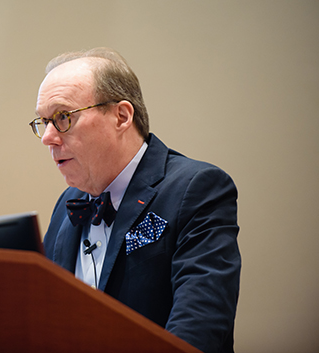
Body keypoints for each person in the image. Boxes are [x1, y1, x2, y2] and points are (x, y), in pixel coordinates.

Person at [30, 47, 241, 353]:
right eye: (43, 122)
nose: (48, 136)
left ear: (121, 116)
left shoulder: (197, 189)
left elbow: (198, 327)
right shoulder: (67, 204)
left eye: (63, 117)